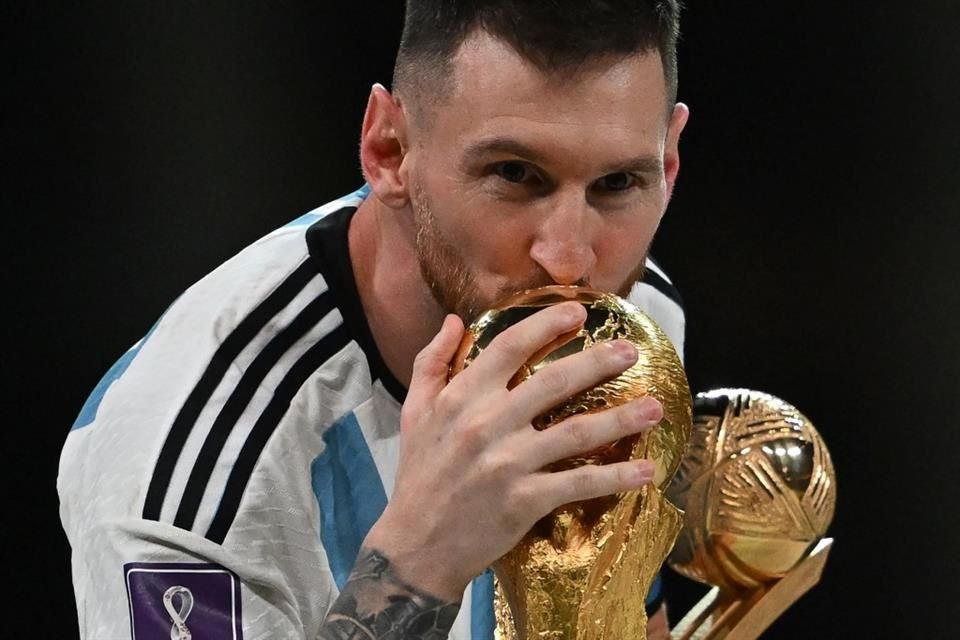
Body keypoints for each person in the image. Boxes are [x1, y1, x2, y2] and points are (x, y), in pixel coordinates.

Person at [58, 1, 690, 638]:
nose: (568, 260)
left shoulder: (632, 321)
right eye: (515, 174)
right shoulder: (188, 474)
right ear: (389, 151)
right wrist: (417, 564)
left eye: (616, 183)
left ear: (667, 167)